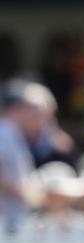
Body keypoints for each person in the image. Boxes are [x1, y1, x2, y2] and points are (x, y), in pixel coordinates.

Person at [0, 79, 50, 226]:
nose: (42, 122)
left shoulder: (12, 134)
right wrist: (30, 196)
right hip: (6, 226)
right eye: (38, 114)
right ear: (21, 108)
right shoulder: (4, 133)